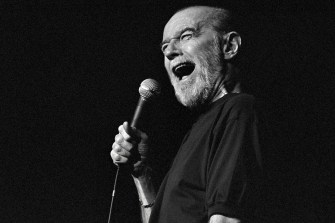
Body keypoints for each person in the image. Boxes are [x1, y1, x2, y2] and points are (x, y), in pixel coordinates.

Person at [111, 5, 264, 223]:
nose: (170, 51)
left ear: (229, 46)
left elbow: (227, 220)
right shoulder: (199, 128)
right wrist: (142, 173)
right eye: (164, 47)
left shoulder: (238, 110)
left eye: (186, 36)